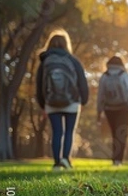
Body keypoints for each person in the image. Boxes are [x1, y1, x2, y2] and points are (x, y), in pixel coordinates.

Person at [35, 29, 89, 170]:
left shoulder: (45, 61)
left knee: (57, 132)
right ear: (66, 44)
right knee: (69, 132)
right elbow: (82, 82)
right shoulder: (73, 60)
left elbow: (39, 84)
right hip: (72, 101)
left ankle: (57, 163)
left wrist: (43, 104)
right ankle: (66, 159)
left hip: (51, 102)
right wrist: (83, 100)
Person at [97, 55, 128, 166]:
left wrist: (99, 111)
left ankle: (115, 159)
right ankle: (118, 160)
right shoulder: (125, 75)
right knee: (122, 133)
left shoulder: (104, 76)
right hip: (125, 108)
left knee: (114, 133)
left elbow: (100, 95)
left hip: (109, 109)